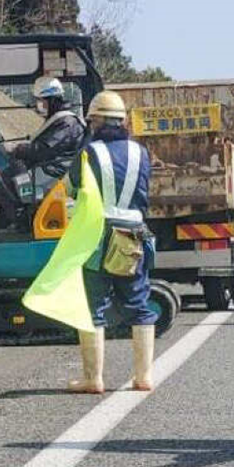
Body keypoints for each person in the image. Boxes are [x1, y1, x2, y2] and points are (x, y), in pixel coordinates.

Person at [67, 90, 158, 394]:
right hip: (133, 234)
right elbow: (144, 193)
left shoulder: (90, 152)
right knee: (139, 303)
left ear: (96, 121)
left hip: (99, 236)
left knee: (94, 305)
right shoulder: (141, 153)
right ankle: (143, 376)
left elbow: (73, 186)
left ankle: (93, 379)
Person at [8, 76, 86, 181]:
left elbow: (44, 151)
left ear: (51, 100)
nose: (38, 104)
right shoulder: (58, 120)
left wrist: (18, 149)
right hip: (47, 169)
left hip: (53, 174)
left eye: (40, 100)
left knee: (8, 182)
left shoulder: (66, 123)